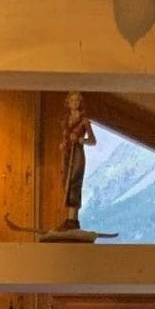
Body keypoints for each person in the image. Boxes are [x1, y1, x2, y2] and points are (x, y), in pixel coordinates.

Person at [61, 92, 97, 230]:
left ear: (80, 103)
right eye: (72, 100)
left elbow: (93, 140)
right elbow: (65, 137)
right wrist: (64, 144)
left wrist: (82, 140)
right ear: (68, 102)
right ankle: (70, 218)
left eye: (77, 100)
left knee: (74, 182)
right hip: (67, 153)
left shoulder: (84, 121)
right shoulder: (66, 120)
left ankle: (73, 218)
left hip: (77, 153)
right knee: (66, 181)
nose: (75, 103)